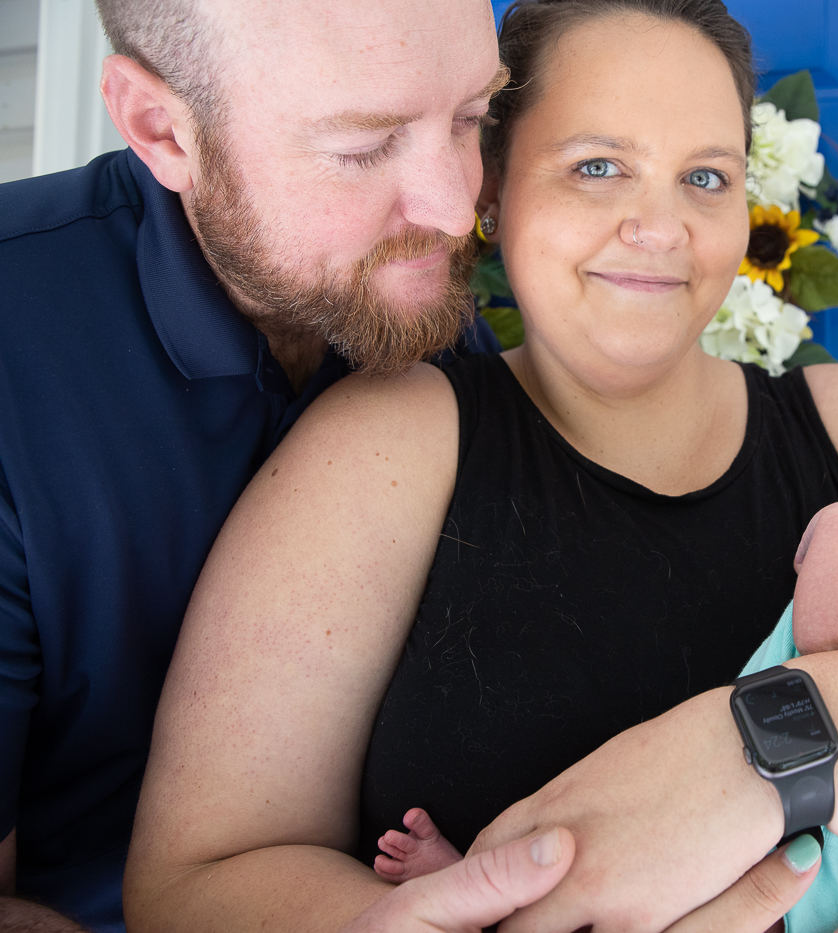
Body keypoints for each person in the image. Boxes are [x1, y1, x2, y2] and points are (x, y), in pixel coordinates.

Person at [124, 2, 838, 933]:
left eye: (705, 176)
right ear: (489, 194)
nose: (658, 226)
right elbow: (194, 884)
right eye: (596, 167)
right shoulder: (392, 442)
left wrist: (738, 764)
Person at [0, 0, 507, 928]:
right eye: (362, 148)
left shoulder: (424, 318)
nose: (457, 208)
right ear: (163, 130)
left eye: (473, 118)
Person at [370, 400, 838, 932]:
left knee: (641, 884)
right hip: (793, 838)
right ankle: (473, 879)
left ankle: (470, 883)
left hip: (808, 877)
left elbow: (835, 632)